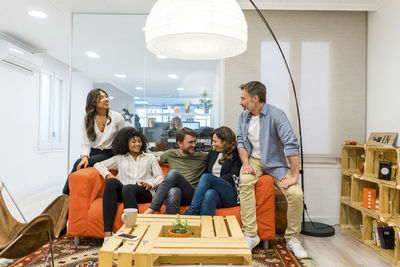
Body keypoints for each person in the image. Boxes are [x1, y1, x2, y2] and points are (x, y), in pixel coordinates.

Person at [237, 81, 308, 258]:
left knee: (296, 194)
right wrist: (246, 164)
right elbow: (241, 142)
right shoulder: (243, 117)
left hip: (276, 163)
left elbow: (291, 144)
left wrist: (294, 175)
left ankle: (292, 238)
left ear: (255, 98)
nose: (241, 102)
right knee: (245, 181)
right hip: (254, 161)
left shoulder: (277, 115)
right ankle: (251, 235)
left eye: (243, 98)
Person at [94, 127, 164, 243]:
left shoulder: (149, 158)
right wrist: (108, 175)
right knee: (113, 183)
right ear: (126, 143)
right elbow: (98, 164)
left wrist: (150, 183)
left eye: (139, 141)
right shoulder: (120, 159)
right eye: (134, 141)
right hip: (124, 191)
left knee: (129, 188)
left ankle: (133, 233)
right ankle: (107, 235)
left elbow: (160, 177)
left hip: (144, 191)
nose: (137, 144)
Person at [62, 88, 125, 195]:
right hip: (93, 152)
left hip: (109, 153)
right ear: (94, 102)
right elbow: (86, 142)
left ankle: (65, 194)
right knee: (80, 162)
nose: (106, 99)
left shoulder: (117, 117)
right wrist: (85, 156)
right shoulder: (88, 118)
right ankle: (67, 195)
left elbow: (122, 139)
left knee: (78, 163)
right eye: (101, 97)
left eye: (106, 96)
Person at [144, 127, 207, 215]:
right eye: (190, 142)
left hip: (191, 194)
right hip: (172, 194)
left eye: (195, 141)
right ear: (179, 143)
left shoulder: (202, 156)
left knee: (173, 173)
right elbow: (151, 161)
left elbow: (219, 156)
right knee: (174, 191)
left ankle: (152, 208)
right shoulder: (171, 154)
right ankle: (173, 226)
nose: (194, 145)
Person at [184, 126, 241, 216]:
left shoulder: (237, 155)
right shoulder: (212, 154)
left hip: (230, 194)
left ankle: (192, 212)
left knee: (207, 177)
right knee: (210, 194)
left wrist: (213, 181)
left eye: (215, 141)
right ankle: (207, 227)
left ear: (225, 141)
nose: (213, 144)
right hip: (216, 195)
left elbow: (232, 177)